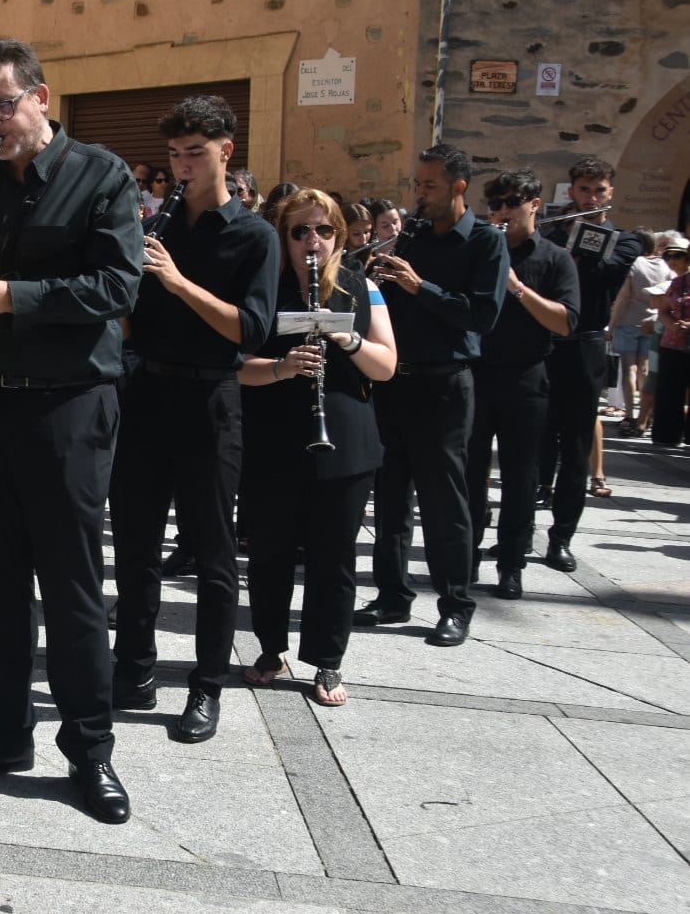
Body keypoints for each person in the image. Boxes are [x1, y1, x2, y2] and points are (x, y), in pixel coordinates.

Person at [0, 38, 139, 826]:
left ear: (41, 98)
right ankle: (6, 733)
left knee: (73, 586)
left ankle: (91, 751)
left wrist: (9, 296)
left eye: (2, 105)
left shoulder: (101, 174)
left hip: (66, 405)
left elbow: (119, 283)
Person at [110, 94, 278, 743]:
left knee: (212, 555)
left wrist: (178, 282)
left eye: (195, 154)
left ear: (226, 152)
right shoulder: (160, 226)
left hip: (212, 400)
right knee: (135, 545)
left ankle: (207, 686)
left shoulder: (254, 236)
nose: (182, 167)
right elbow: (135, 322)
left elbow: (253, 330)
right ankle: (135, 669)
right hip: (148, 394)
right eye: (176, 155)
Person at [238, 189, 396, 706]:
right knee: (269, 554)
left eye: (324, 231)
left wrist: (347, 340)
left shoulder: (361, 287)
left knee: (334, 557)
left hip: (345, 440)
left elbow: (387, 366)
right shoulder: (262, 287)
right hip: (274, 438)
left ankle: (327, 660)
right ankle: (269, 648)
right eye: (300, 231)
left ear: (339, 236)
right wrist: (284, 367)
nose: (313, 241)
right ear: (282, 236)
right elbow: (236, 367)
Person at [360, 144, 507, 646]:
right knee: (391, 495)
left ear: (458, 186)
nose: (420, 195)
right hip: (397, 380)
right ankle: (391, 595)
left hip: (446, 384)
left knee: (445, 499)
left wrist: (420, 286)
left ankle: (455, 603)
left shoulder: (485, 242)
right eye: (417, 185)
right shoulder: (413, 237)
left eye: (429, 186)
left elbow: (481, 316)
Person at [468, 170, 579, 600]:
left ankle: (511, 564)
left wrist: (516, 288)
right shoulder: (479, 251)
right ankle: (466, 558)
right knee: (469, 473)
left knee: (520, 476)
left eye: (512, 202)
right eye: (495, 203)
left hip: (526, 377)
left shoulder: (554, 258)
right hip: (477, 373)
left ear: (535, 203)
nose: (502, 211)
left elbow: (567, 322)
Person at [537, 158, 643, 570]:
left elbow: (604, 273)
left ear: (610, 193)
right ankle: (518, 530)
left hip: (586, 344)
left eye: (599, 190)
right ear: (572, 192)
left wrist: (578, 238)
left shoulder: (626, 239)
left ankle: (561, 537)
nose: (592, 197)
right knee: (535, 438)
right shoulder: (549, 233)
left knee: (577, 445)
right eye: (584, 190)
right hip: (546, 344)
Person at [609, 230, 672, 437]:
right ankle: (645, 411)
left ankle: (629, 413)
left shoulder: (634, 264)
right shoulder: (665, 265)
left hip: (629, 320)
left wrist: (612, 323)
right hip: (653, 322)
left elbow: (624, 297)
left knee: (629, 369)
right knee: (646, 369)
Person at [650, 235, 690, 446]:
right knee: (668, 390)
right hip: (673, 344)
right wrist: (672, 324)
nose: (672, 260)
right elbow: (663, 309)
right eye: (669, 256)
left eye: (678, 256)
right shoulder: (678, 282)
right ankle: (667, 435)